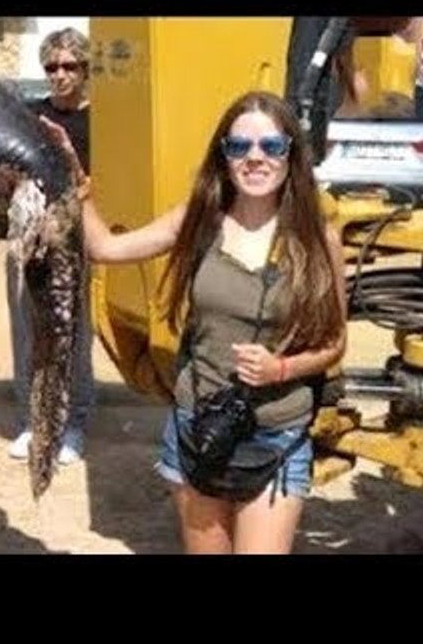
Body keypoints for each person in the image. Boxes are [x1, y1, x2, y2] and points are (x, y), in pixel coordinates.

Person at [42, 90, 347, 553]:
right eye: (240, 147)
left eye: (272, 147)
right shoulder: (198, 220)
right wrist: (74, 178)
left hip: (278, 438)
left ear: (292, 155)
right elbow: (106, 248)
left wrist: (280, 370)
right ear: (224, 156)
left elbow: (334, 342)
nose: (255, 158)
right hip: (197, 429)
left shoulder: (318, 239)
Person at [6, 27, 95, 465]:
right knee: (26, 333)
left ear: (85, 68)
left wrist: (72, 166)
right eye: (52, 67)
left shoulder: (102, 122)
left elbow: (98, 190)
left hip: (74, 240)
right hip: (29, 238)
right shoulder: (29, 115)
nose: (59, 74)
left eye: (69, 66)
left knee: (74, 333)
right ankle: (31, 421)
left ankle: (74, 423)